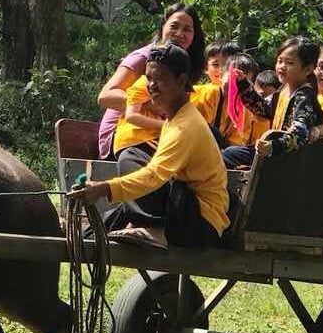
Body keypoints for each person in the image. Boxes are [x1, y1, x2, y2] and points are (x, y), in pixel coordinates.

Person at [69, 44, 230, 249]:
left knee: (131, 157)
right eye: (149, 78)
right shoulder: (175, 120)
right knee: (109, 220)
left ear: (181, 81)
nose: (151, 86)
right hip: (186, 212)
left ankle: (152, 228)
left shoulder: (185, 126)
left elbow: (154, 176)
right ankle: (87, 234)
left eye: (160, 79)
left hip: (201, 224)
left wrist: (104, 188)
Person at [95, 4, 205, 160]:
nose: (180, 33)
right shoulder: (143, 58)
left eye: (187, 29)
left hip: (161, 134)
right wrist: (150, 105)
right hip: (125, 136)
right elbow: (105, 97)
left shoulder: (185, 64)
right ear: (163, 26)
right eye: (174, 26)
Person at [222, 36, 323, 168]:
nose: (282, 66)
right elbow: (263, 109)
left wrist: (272, 147)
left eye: (289, 63)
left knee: (230, 155)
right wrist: (243, 83)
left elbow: (300, 135)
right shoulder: (283, 90)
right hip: (273, 151)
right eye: (280, 61)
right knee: (229, 153)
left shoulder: (304, 96)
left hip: (287, 157)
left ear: (308, 69)